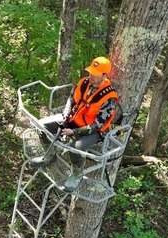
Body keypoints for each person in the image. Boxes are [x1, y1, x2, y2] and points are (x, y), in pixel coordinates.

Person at [30, 56, 119, 192]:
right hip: (73, 120)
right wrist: (66, 117)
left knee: (76, 147)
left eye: (95, 74)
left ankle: (77, 175)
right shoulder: (84, 83)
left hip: (92, 130)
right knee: (42, 125)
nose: (91, 76)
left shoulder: (109, 98)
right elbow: (71, 100)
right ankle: (50, 156)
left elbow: (98, 125)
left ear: (105, 75)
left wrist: (75, 132)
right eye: (90, 72)